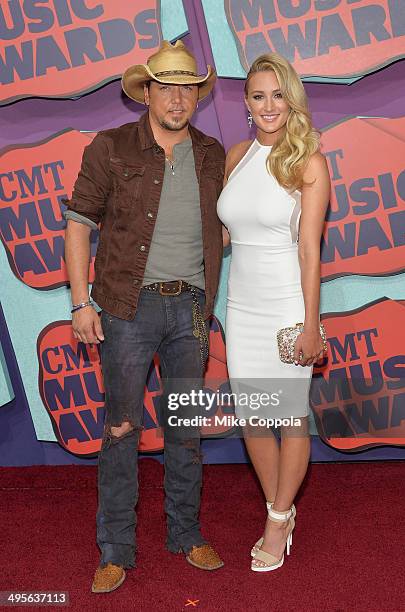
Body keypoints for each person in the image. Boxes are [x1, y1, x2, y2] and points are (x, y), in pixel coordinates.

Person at [63, 40, 226, 593]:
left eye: (187, 88)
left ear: (197, 97)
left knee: (184, 430)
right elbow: (79, 223)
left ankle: (186, 534)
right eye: (167, 86)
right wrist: (81, 302)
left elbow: (226, 220)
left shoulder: (211, 153)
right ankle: (115, 549)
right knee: (120, 428)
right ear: (147, 92)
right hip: (126, 309)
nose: (177, 98)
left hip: (192, 308)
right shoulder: (109, 148)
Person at [217, 52, 330, 572]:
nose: (268, 105)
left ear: (292, 101)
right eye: (259, 96)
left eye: (278, 95)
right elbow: (224, 233)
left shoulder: (308, 161)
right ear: (246, 102)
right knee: (254, 416)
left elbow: (310, 248)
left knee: (289, 415)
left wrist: (311, 322)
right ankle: (276, 507)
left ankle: (279, 519)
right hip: (239, 306)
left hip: (286, 304)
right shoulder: (236, 155)